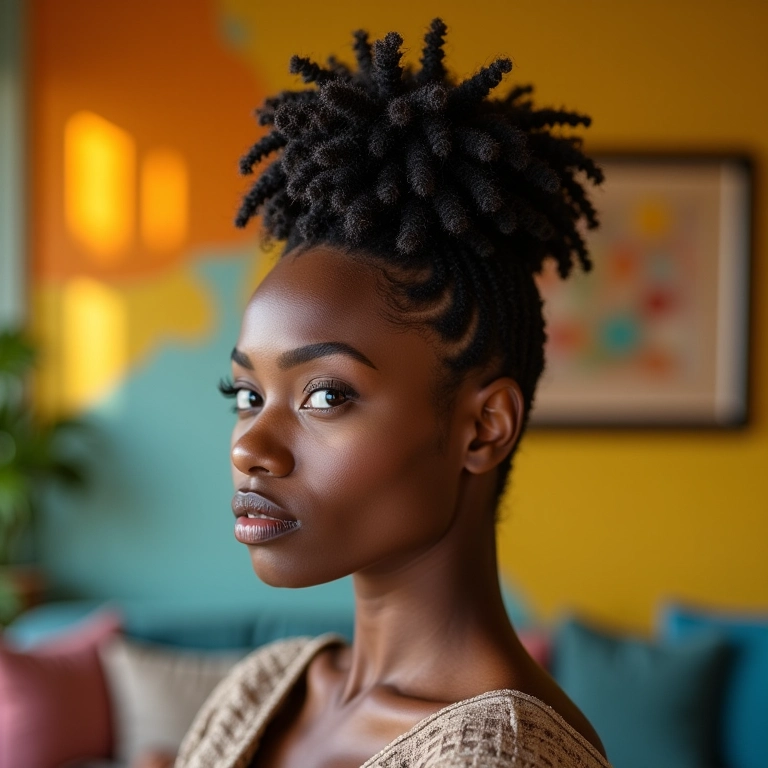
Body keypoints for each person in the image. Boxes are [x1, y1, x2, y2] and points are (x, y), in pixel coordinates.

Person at [176, 19, 610, 768]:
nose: (250, 446)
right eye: (246, 394)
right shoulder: (261, 691)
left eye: (324, 397)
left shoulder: (504, 756)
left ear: (483, 429)